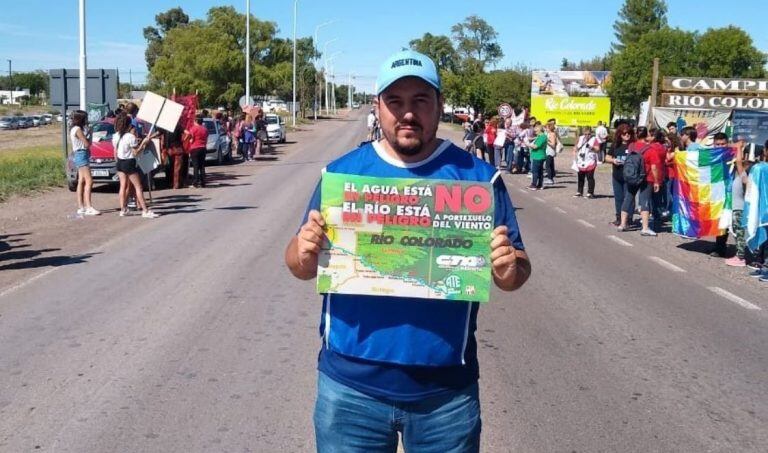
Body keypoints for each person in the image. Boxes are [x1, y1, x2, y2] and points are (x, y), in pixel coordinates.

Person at [285, 49, 531, 453]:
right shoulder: (341, 175)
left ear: (438, 105)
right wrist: (304, 250)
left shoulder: (480, 180)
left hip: (446, 397)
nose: (408, 113)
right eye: (395, 101)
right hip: (349, 391)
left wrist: (508, 268)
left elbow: (517, 268)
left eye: (420, 100)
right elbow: (298, 265)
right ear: (378, 106)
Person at [112, 113, 159, 218]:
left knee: (123, 186)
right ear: (128, 125)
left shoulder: (115, 136)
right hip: (129, 162)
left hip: (120, 162)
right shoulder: (130, 137)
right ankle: (145, 210)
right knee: (138, 187)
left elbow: (115, 150)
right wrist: (143, 144)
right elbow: (136, 152)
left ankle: (123, 209)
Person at [618, 127, 661, 236]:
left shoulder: (631, 146)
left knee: (628, 198)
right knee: (644, 201)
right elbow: (654, 167)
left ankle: (622, 224)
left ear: (636, 134)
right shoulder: (650, 149)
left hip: (632, 176)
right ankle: (645, 228)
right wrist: (656, 181)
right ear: (646, 135)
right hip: (646, 178)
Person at [69, 110, 100, 216]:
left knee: (81, 181)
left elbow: (87, 143)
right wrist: (89, 135)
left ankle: (81, 206)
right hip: (82, 154)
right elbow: (87, 144)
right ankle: (88, 207)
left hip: (79, 154)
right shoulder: (78, 129)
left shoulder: (74, 128)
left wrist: (90, 133)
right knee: (89, 181)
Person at [605, 124, 633, 226]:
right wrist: (613, 160)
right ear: (620, 134)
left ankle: (628, 218)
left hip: (629, 177)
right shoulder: (616, 145)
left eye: (629, 133)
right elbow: (606, 157)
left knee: (628, 198)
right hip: (617, 175)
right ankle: (619, 218)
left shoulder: (633, 145)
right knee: (618, 197)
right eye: (624, 133)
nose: (627, 135)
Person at [573, 126, 599, 198]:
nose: (587, 135)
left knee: (590, 177)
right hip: (581, 161)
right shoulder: (580, 138)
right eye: (586, 134)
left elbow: (597, 149)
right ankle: (579, 192)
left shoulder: (594, 140)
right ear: (583, 133)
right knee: (580, 177)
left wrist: (591, 147)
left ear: (591, 133)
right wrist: (575, 149)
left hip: (590, 161)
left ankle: (590, 193)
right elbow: (575, 147)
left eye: (589, 134)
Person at [161, 122, 188, 189]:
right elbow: (188, 133)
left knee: (169, 167)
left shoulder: (165, 125)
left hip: (169, 149)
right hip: (178, 148)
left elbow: (160, 135)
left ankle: (169, 183)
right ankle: (176, 185)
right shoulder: (178, 125)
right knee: (177, 168)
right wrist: (184, 140)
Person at [189, 114, 208, 187]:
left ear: (196, 121)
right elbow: (206, 139)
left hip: (194, 148)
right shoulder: (205, 129)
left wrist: (190, 141)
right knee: (202, 166)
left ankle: (195, 182)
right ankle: (203, 182)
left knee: (196, 166)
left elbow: (191, 139)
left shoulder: (193, 129)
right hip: (203, 148)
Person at [528, 121, 547, 190]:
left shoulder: (542, 137)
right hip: (539, 155)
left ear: (539, 130)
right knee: (540, 171)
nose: (535, 132)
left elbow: (536, 146)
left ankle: (534, 185)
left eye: (536, 131)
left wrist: (529, 145)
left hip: (538, 156)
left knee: (535, 171)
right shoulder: (540, 136)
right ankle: (540, 184)